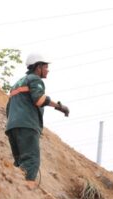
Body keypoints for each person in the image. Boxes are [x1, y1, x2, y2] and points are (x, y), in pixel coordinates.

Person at [5, 53, 70, 189]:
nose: (47, 70)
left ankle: (15, 192)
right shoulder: (35, 80)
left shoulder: (17, 83)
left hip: (12, 127)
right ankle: (27, 194)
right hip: (27, 126)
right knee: (31, 160)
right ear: (38, 67)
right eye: (45, 67)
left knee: (19, 163)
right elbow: (39, 99)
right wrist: (60, 106)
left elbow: (8, 107)